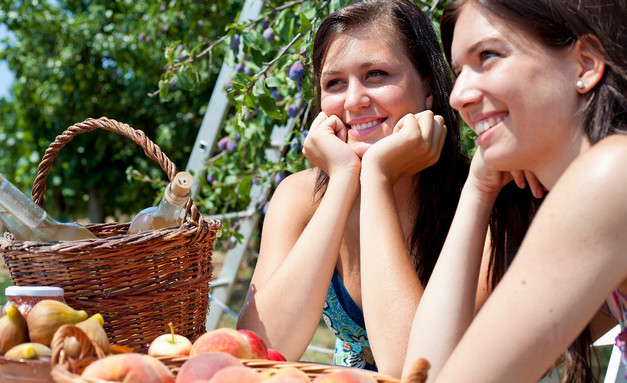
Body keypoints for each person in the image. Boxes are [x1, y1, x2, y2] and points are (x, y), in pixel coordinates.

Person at [392, 0, 627, 382]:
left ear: (585, 63)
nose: (458, 96)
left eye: (488, 55)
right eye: (458, 72)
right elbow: (428, 371)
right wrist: (479, 188)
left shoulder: (611, 176)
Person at [236, 0, 471, 375]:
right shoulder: (299, 198)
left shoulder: (479, 199)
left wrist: (376, 176)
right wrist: (345, 178)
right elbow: (259, 353)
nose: (354, 100)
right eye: (334, 83)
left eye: (376, 74)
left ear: (427, 87)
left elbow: (413, 371)